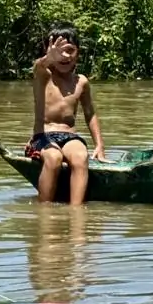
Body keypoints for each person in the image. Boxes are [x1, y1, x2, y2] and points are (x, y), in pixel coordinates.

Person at [27, 25, 105, 204]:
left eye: (70, 51)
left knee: (80, 157)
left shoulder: (81, 82)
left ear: (78, 53)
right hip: (43, 135)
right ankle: (44, 212)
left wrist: (99, 145)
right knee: (54, 158)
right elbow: (40, 65)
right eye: (59, 52)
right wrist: (48, 58)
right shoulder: (44, 75)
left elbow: (90, 113)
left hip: (70, 136)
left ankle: (76, 212)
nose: (65, 56)